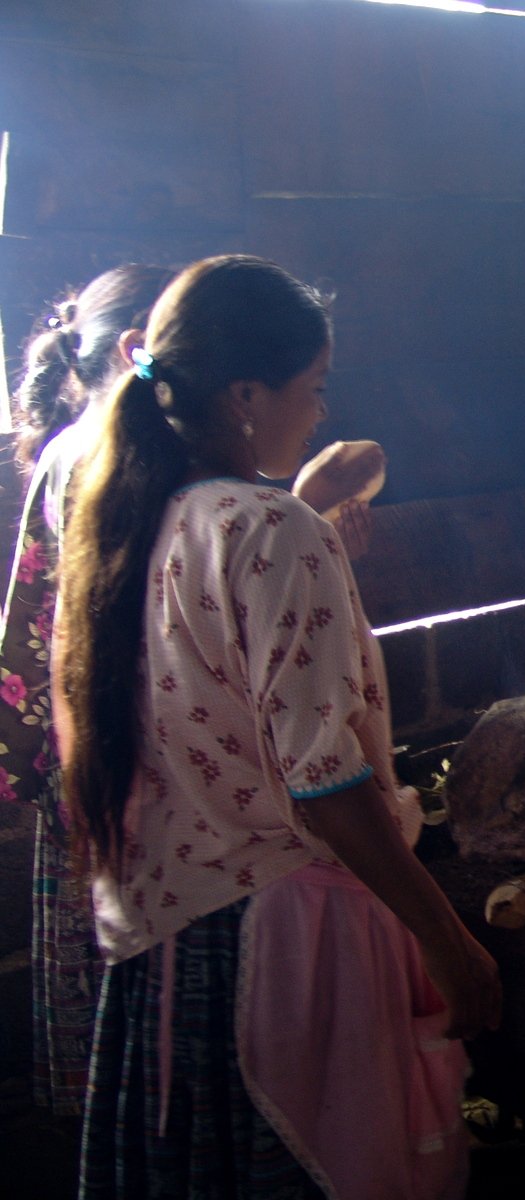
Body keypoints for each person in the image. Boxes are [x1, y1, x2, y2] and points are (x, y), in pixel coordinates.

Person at [54, 254, 501, 1198]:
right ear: (248, 394)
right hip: (282, 948)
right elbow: (324, 781)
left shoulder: (124, 512)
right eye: (317, 387)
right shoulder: (272, 531)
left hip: (170, 935)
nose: (323, 412)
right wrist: (445, 939)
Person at [4, 264, 177, 1115]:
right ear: (136, 351)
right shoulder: (112, 454)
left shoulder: (78, 446)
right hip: (127, 764)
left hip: (88, 755)